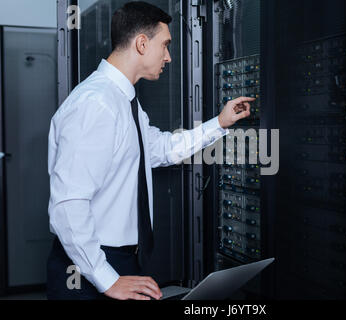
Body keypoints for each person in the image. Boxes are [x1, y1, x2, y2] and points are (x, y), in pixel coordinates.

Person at [46, 1, 254, 300]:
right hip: (88, 264)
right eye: (166, 45)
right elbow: (68, 204)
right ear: (142, 43)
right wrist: (107, 280)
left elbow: (160, 149)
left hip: (116, 257)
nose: (169, 57)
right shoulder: (96, 104)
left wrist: (220, 123)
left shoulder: (123, 100)